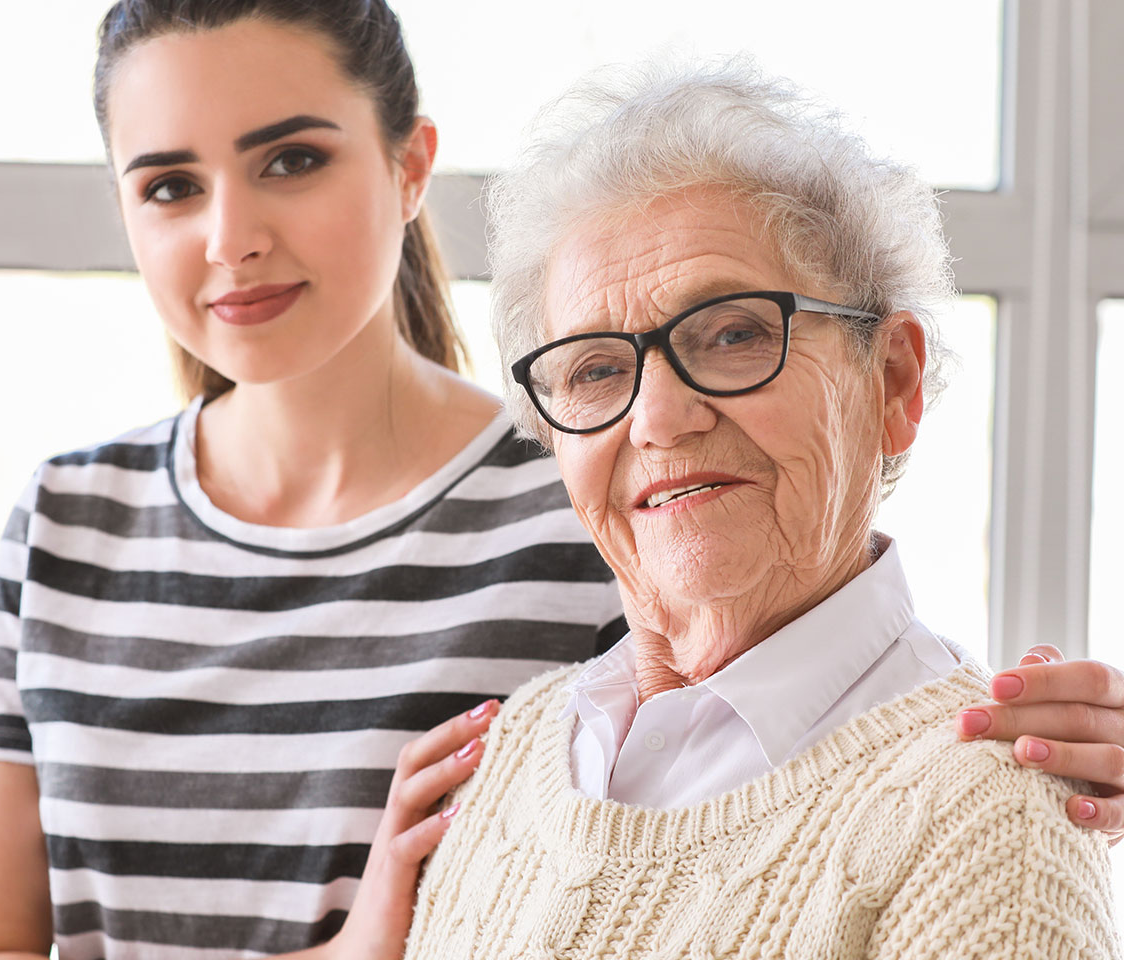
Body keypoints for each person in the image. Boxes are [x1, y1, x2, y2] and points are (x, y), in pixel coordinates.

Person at [0, 4, 1124, 959]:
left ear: (410, 167)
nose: (229, 235)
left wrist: (1048, 753)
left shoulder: (577, 506)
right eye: (169, 184)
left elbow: (836, 684)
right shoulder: (71, 523)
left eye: (291, 157)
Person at [402, 60, 1119, 959]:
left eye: (734, 334)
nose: (657, 419)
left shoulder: (989, 820)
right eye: (595, 368)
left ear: (892, 381)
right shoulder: (511, 754)